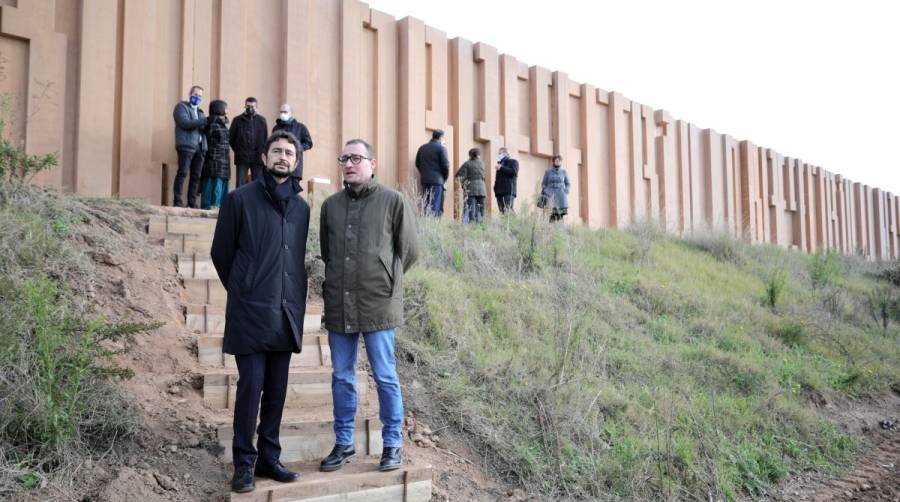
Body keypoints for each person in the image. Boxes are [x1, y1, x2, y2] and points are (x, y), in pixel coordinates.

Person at [210, 130, 310, 493]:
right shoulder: (239, 200)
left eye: (289, 153)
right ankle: (244, 463)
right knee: (251, 387)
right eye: (277, 151)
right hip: (250, 311)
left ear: (296, 162)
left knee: (277, 389)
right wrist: (244, 288)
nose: (283, 157)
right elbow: (221, 254)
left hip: (286, 312)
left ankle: (270, 457)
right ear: (265, 158)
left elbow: (295, 257)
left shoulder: (302, 208)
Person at [319, 139, 418, 473]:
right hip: (339, 302)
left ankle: (392, 445)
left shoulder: (393, 201)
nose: (349, 163)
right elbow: (328, 252)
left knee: (385, 376)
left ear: (372, 163)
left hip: (378, 304)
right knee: (341, 377)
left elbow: (410, 251)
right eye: (344, 158)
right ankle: (344, 443)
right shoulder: (330, 206)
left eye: (356, 158)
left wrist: (386, 277)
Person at [172, 85, 208, 208]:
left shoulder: (200, 112)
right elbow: (184, 123)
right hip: (186, 146)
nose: (197, 97)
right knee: (182, 173)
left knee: (196, 176)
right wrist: (204, 121)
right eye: (196, 94)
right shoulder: (181, 107)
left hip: (200, 147)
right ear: (190, 94)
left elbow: (204, 129)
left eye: (200, 96)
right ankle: (177, 201)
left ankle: (192, 202)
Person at [229, 97, 268, 187]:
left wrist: (262, 152)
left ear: (256, 107)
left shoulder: (262, 120)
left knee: (258, 184)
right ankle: (239, 201)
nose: (250, 108)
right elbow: (231, 138)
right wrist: (239, 150)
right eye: (248, 106)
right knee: (240, 183)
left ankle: (257, 201)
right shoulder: (237, 120)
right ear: (245, 106)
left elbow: (265, 139)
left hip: (257, 157)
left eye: (253, 106)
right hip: (242, 157)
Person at [200, 100, 231, 210]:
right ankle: (210, 207)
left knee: (222, 189)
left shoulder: (222, 125)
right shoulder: (211, 125)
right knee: (212, 187)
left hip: (224, 163)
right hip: (213, 162)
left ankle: (221, 208)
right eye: (226, 108)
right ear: (220, 109)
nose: (228, 111)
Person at [271, 103, 313, 180]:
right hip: (279, 166)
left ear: (291, 113)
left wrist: (296, 148)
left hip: (294, 168)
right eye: (281, 112)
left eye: (285, 112)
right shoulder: (276, 128)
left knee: (292, 190)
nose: (283, 114)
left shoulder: (300, 127)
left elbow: (309, 143)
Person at [414, 129, 449, 216]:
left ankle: (426, 226)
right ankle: (433, 227)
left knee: (426, 205)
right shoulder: (442, 148)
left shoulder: (422, 148)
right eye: (444, 137)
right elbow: (446, 165)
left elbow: (417, 163)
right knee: (435, 206)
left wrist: (423, 173)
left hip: (425, 180)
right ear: (440, 137)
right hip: (437, 181)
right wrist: (444, 178)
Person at [454, 147, 486, 223]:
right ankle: (481, 225)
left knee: (471, 209)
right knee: (481, 209)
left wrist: (463, 185)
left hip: (470, 189)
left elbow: (459, 175)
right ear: (478, 155)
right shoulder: (482, 163)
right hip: (482, 189)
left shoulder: (467, 163)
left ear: (470, 155)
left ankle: (472, 225)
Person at [541, 155, 571, 222]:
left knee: (560, 216)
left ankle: (560, 231)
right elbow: (543, 184)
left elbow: (568, 184)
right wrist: (546, 191)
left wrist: (565, 191)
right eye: (556, 160)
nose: (558, 162)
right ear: (553, 161)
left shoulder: (564, 172)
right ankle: (551, 231)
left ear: (561, 162)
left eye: (559, 161)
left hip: (561, 196)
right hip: (551, 196)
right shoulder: (548, 172)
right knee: (552, 215)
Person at [493, 146, 518, 214]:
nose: (499, 155)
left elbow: (514, 172)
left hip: (509, 191)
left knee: (509, 210)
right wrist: (495, 189)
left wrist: (501, 168)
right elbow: (497, 179)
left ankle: (515, 223)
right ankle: (504, 224)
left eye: (500, 153)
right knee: (502, 212)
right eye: (498, 154)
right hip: (499, 192)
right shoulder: (499, 164)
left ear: (505, 153)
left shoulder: (513, 162)